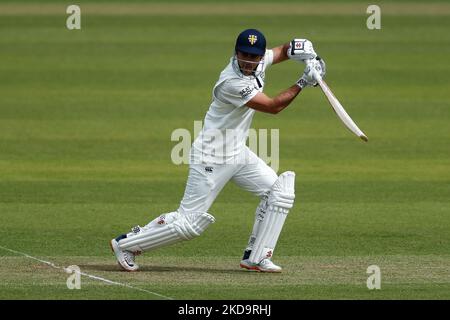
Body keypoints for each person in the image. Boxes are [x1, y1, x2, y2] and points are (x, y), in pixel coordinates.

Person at [110, 28, 326, 273]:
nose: (248, 61)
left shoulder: (258, 61)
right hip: (210, 157)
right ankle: (126, 243)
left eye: (254, 57)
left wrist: (300, 48)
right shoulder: (231, 82)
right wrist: (304, 81)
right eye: (244, 55)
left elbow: (281, 51)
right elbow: (273, 107)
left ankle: (256, 257)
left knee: (279, 193)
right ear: (236, 53)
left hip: (237, 153)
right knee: (189, 223)